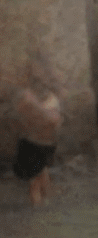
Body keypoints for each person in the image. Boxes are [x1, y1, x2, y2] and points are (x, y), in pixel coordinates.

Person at [13, 61, 61, 207]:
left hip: (37, 144)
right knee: (41, 177)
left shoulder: (29, 98)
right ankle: (44, 210)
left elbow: (54, 121)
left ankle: (39, 213)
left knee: (36, 181)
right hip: (41, 144)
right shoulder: (50, 99)